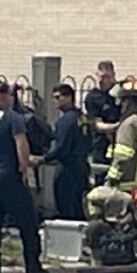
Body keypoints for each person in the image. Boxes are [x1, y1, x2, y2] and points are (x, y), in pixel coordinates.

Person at [0, 81, 60, 273]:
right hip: (8, 174)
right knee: (27, 220)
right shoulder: (13, 117)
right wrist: (24, 166)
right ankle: (33, 267)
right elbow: (21, 144)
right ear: (5, 95)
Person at [36, 84, 92, 220]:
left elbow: (62, 148)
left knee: (65, 207)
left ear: (68, 97)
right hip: (82, 168)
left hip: (68, 169)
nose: (54, 101)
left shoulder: (66, 120)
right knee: (78, 207)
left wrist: (42, 159)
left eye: (58, 97)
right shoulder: (81, 117)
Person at [104, 78, 137, 192]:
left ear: (131, 102)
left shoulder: (129, 124)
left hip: (126, 187)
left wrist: (111, 179)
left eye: (123, 101)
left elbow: (123, 157)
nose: (120, 105)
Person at [84, 61, 121, 184]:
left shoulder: (121, 94)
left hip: (121, 144)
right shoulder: (93, 97)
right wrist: (118, 127)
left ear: (113, 75)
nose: (103, 80)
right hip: (101, 145)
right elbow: (97, 124)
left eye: (107, 77)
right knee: (101, 178)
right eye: (101, 77)